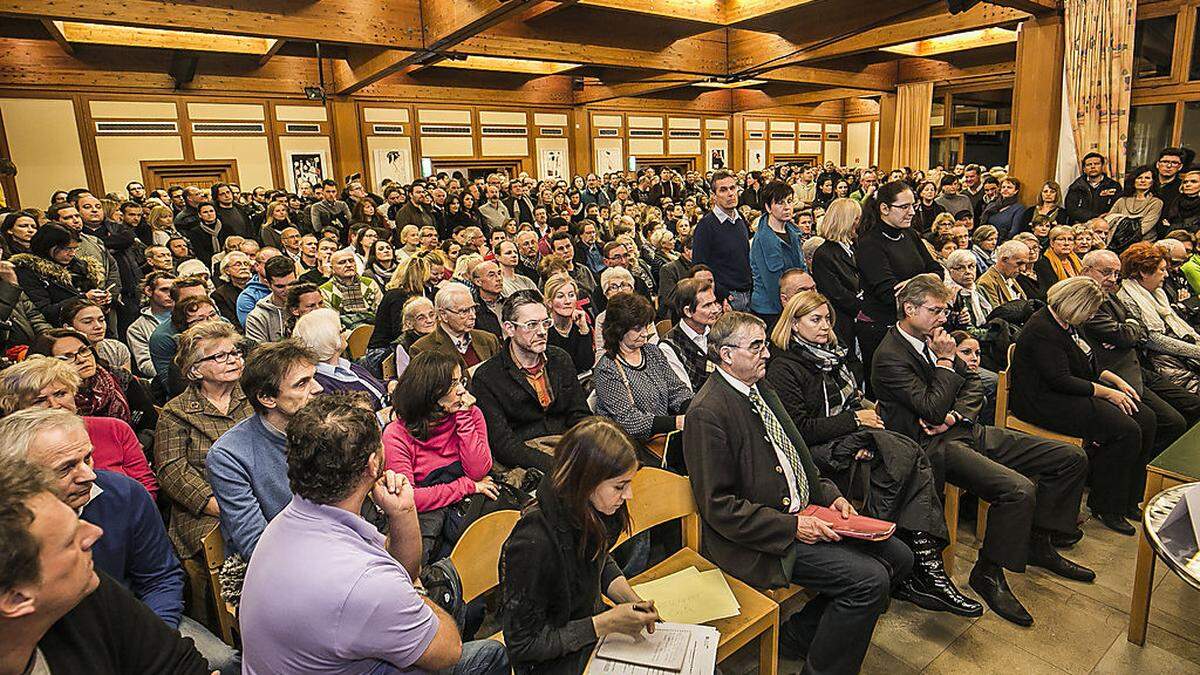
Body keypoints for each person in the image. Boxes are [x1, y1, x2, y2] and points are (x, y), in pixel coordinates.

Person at [683, 310, 913, 671]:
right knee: (869, 581)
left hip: (805, 512)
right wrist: (792, 527)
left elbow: (799, 460)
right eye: (756, 346)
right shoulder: (708, 411)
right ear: (726, 354)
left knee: (900, 557)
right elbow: (719, 506)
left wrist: (830, 495)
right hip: (760, 539)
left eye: (764, 344)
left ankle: (801, 635)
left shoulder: (761, 388)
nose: (767, 353)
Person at [870, 274, 1092, 626]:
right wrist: (944, 366)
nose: (943, 318)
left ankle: (1039, 540)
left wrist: (954, 414)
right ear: (909, 309)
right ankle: (989, 572)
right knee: (1018, 490)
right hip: (931, 446)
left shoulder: (933, 339)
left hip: (963, 429)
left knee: (1070, 458)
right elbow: (929, 409)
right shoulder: (890, 355)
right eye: (935, 310)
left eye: (944, 310)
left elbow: (973, 383)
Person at [238, 394, 508, 674]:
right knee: (488, 654)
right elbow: (449, 651)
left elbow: (400, 567)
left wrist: (402, 514)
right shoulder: (366, 583)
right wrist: (414, 588)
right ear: (372, 465)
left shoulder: (291, 519)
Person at [765, 291, 981, 617]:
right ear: (793, 324)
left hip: (847, 437)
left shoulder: (832, 356)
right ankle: (909, 558)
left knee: (905, 454)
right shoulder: (785, 367)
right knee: (906, 454)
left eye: (827, 319)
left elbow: (855, 402)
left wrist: (867, 417)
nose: (825, 327)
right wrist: (854, 421)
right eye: (815, 319)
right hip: (813, 452)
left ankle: (913, 558)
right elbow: (798, 429)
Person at [0, 457, 211, 675]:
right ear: (17, 598)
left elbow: (182, 664)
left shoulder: (87, 590)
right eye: (70, 541)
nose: (95, 532)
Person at [499, 417, 659, 674]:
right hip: (554, 660)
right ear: (586, 482)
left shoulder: (592, 508)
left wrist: (629, 597)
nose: (629, 495)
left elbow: (598, 557)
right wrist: (603, 624)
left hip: (590, 634)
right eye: (620, 486)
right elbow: (524, 645)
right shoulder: (533, 543)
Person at [1011, 277, 1158, 535]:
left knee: (1145, 417)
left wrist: (1116, 382)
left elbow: (1089, 362)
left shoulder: (1068, 324)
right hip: (1044, 400)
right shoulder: (1042, 329)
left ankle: (1128, 499)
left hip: (1071, 390)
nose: (1092, 315)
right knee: (1125, 429)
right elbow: (1060, 380)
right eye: (1090, 310)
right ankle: (1107, 505)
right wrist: (1108, 394)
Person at [207, 339, 321, 572]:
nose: (318, 388)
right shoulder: (228, 456)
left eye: (313, 378)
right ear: (267, 398)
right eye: (302, 384)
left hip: (334, 550)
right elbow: (257, 545)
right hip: (279, 569)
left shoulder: (325, 427)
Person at [1078, 249, 1200, 451]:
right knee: (1171, 421)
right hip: (1115, 369)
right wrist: (1127, 331)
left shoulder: (1113, 294)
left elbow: (1137, 329)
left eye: (1116, 273)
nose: (1112, 279)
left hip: (1133, 363)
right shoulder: (1085, 299)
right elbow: (1135, 336)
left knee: (1192, 405)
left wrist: (1128, 329)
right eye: (1106, 272)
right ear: (1086, 270)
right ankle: (1148, 470)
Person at [155, 320, 253, 569]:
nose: (233, 360)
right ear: (195, 370)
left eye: (235, 353)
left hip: (261, 492)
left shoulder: (255, 395)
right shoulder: (177, 412)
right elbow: (172, 471)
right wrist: (222, 505)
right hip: (206, 508)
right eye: (220, 356)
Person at [384, 350, 495, 562]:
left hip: (466, 509)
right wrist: (466, 486)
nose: (462, 390)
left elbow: (479, 470)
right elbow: (410, 499)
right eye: (453, 384)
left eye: (461, 380)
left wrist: (463, 417)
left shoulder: (471, 414)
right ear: (429, 391)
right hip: (430, 522)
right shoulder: (396, 435)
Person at [0, 356, 157, 497]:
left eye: (61, 394)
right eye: (39, 401)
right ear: (18, 408)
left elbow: (147, 485)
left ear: (74, 393)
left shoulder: (114, 429)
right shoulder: (12, 448)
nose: (54, 405)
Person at [471, 292, 592, 473]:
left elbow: (579, 413)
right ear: (509, 328)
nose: (542, 331)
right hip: (528, 461)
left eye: (546, 323)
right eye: (532, 325)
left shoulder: (559, 358)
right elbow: (503, 444)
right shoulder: (488, 377)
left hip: (569, 446)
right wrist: (557, 465)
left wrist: (594, 443)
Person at [855, 181, 943, 383]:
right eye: (904, 207)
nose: (912, 212)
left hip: (916, 325)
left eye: (914, 205)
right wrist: (928, 280)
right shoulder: (870, 243)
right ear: (884, 209)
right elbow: (890, 293)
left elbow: (937, 270)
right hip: (882, 328)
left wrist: (919, 280)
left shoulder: (910, 234)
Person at [593, 293, 691, 447]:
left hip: (662, 439)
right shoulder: (607, 368)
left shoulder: (652, 352)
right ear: (618, 329)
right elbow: (629, 421)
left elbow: (676, 390)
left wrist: (693, 409)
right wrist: (677, 422)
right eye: (637, 328)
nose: (645, 333)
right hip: (626, 450)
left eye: (646, 326)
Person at [31, 328, 156, 436]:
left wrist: (139, 443)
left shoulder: (119, 377)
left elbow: (149, 424)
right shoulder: (48, 397)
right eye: (67, 357)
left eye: (83, 351)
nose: (81, 359)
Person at [1117, 242, 1200, 393]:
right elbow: (1153, 340)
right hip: (1160, 361)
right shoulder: (1127, 299)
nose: (1167, 274)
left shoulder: (1157, 292)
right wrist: (1196, 351)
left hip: (1179, 352)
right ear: (1144, 272)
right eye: (1162, 270)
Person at [12, 222, 108, 325]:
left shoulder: (81, 266)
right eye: (66, 249)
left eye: (75, 248)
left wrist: (103, 301)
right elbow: (43, 312)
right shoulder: (29, 270)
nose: (72, 254)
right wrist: (83, 299)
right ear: (48, 246)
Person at [294, 308, 388, 409]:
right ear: (329, 340)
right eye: (341, 330)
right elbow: (348, 420)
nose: (345, 334)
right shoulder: (322, 385)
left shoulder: (346, 365)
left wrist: (389, 384)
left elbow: (372, 385)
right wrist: (381, 417)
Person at [749, 181, 807, 325]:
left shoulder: (792, 231)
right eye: (780, 203)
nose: (787, 207)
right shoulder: (764, 239)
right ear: (768, 207)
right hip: (772, 309)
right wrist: (789, 314)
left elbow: (801, 270)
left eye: (789, 201)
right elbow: (773, 284)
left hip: (793, 304)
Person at [693, 170, 753, 310]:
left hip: (748, 293)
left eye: (733, 188)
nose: (730, 193)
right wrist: (721, 294)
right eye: (723, 190)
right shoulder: (706, 225)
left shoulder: (740, 219)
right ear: (714, 196)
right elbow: (699, 268)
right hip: (726, 298)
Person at [811, 198, 862, 359]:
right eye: (856, 218)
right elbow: (836, 293)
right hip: (841, 323)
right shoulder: (824, 254)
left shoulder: (855, 247)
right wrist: (864, 307)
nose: (859, 223)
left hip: (859, 320)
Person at [410, 283, 500, 367]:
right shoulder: (422, 349)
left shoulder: (489, 340)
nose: (473, 316)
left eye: (473, 308)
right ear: (443, 315)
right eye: (464, 311)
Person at [59, 297, 131, 374]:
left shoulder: (117, 348)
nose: (98, 326)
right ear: (68, 328)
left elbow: (125, 383)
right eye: (88, 322)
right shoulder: (62, 357)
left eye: (101, 320)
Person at [319, 248, 381, 331]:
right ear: (332, 268)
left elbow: (381, 311)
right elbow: (331, 321)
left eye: (351, 261)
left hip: (374, 328)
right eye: (342, 262)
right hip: (343, 332)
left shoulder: (369, 283)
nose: (348, 265)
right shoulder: (324, 290)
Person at [544, 273, 594, 375]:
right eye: (560, 296)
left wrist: (584, 331)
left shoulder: (581, 324)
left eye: (571, 295)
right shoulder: (544, 329)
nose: (567, 301)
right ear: (550, 302)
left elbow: (586, 364)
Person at [128, 272, 176, 378]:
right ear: (149, 291)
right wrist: (172, 376)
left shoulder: (188, 315)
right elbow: (145, 364)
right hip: (165, 379)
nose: (170, 294)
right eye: (164, 290)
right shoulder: (137, 328)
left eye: (173, 290)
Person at [243, 254, 295, 343]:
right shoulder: (257, 318)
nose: (288, 290)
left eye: (292, 284)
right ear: (268, 284)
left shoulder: (308, 303)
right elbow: (260, 354)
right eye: (280, 286)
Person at [1108, 165, 1164, 242]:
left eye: (1147, 178)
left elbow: (1143, 229)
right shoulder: (1121, 201)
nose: (1143, 180)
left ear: (1152, 182)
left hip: (1143, 243)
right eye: (1139, 178)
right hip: (1117, 241)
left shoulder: (1156, 203)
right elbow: (1108, 221)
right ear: (1134, 180)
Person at [1066, 153, 1123, 224]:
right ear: (1084, 169)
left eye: (1096, 164)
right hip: (1081, 225)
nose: (1093, 167)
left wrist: (1104, 218)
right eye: (1089, 165)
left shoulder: (1114, 186)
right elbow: (1071, 210)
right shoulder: (1076, 187)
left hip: (1106, 224)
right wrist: (1095, 217)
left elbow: (1118, 208)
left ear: (1103, 166)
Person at [976, 239, 1031, 309]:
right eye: (1019, 263)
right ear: (1004, 259)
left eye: (1025, 264)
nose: (1023, 268)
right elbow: (996, 314)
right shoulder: (986, 283)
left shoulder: (1010, 277)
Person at [1033, 224, 1083, 295]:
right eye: (1061, 239)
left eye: (1070, 239)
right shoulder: (1043, 264)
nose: (1066, 243)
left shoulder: (1077, 260)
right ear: (1052, 243)